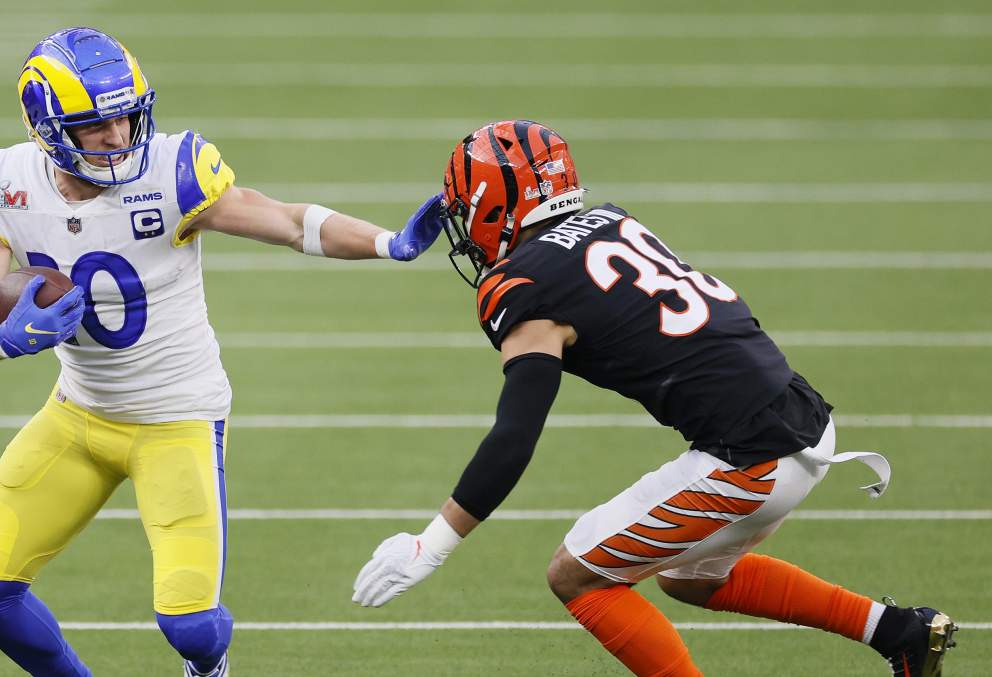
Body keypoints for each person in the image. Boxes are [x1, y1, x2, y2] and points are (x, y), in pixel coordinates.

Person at [351, 120, 957, 676]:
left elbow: (514, 436)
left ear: (496, 207)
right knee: (690, 578)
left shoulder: (524, 287)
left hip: (749, 460)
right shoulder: (611, 221)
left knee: (576, 576)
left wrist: (432, 545)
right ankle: (900, 633)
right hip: (805, 421)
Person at [0, 27, 445, 677]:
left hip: (176, 417)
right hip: (78, 414)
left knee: (192, 628)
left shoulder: (172, 172)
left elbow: (287, 221)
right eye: (96, 125)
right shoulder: (0, 182)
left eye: (126, 115)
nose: (118, 136)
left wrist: (386, 243)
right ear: (47, 128)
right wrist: (2, 341)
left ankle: (210, 666)